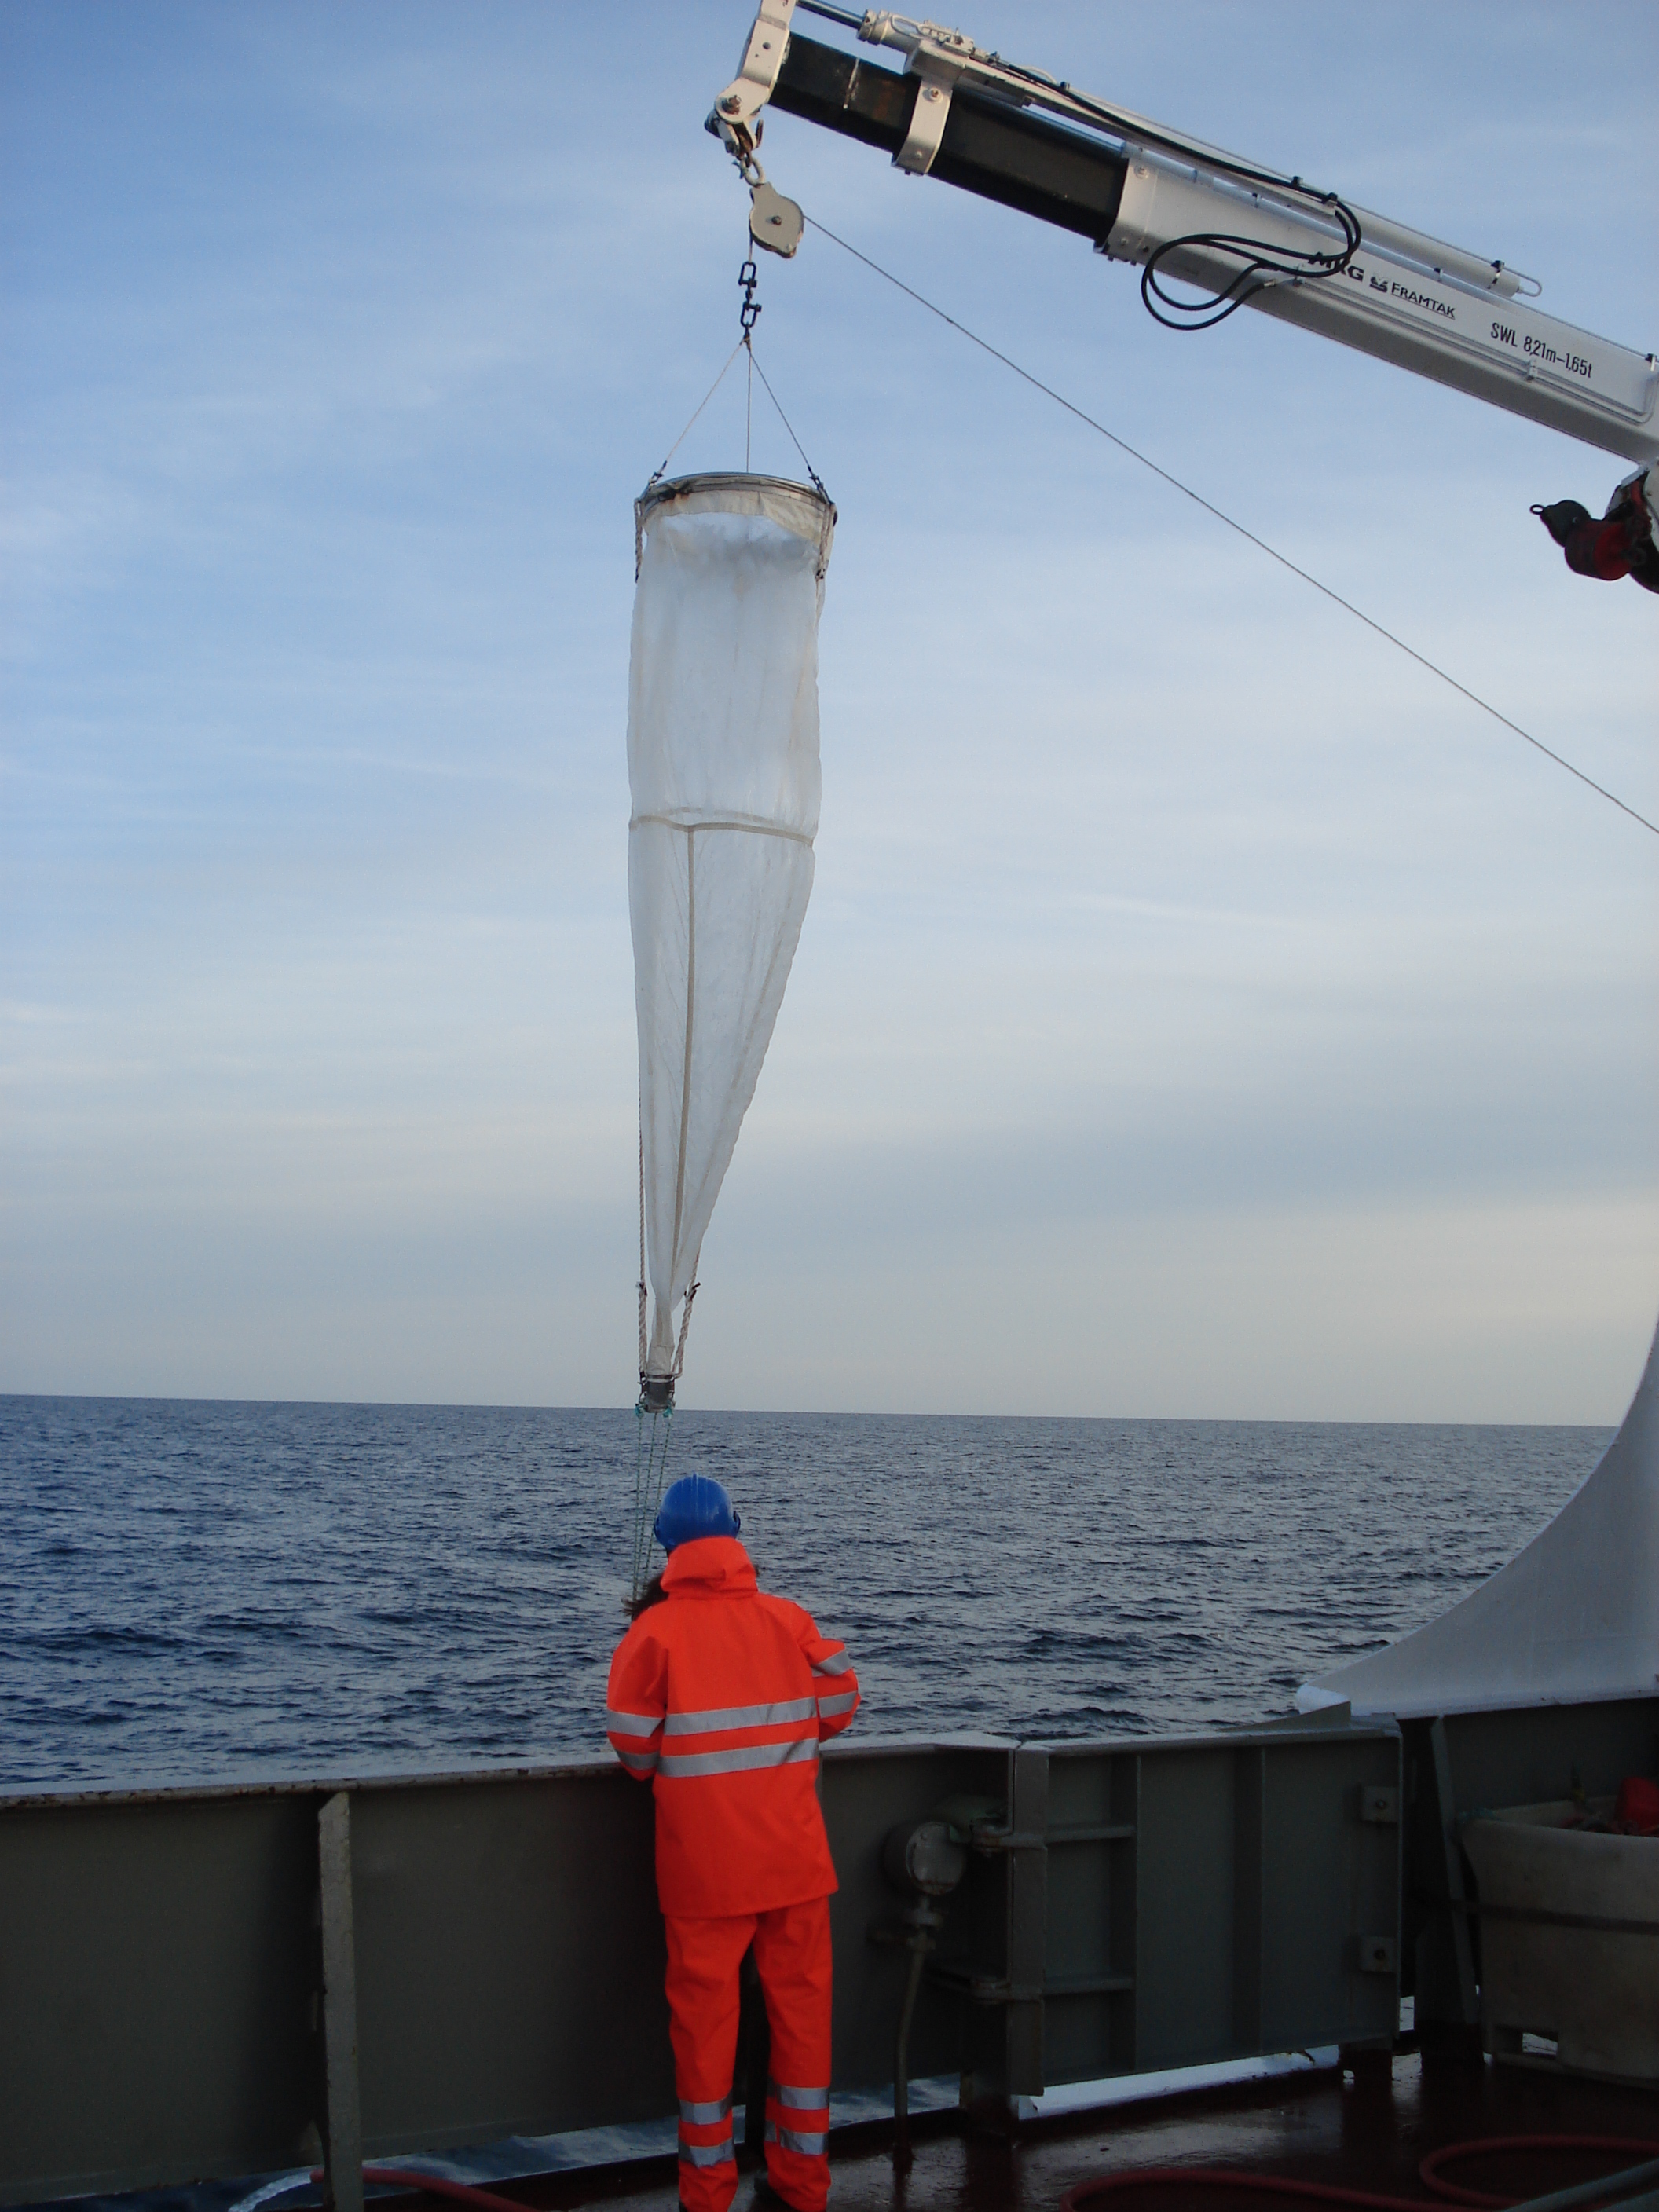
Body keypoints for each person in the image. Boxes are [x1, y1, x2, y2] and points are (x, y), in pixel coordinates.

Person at [606, 1474, 859, 2212]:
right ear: (736, 1534)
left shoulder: (651, 1633)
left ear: (666, 1545)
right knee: (802, 2026)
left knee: (705, 2035)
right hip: (795, 1865)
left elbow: (634, 1749)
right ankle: (802, 2186)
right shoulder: (788, 1618)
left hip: (705, 1875)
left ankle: (707, 2192)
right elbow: (841, 1703)